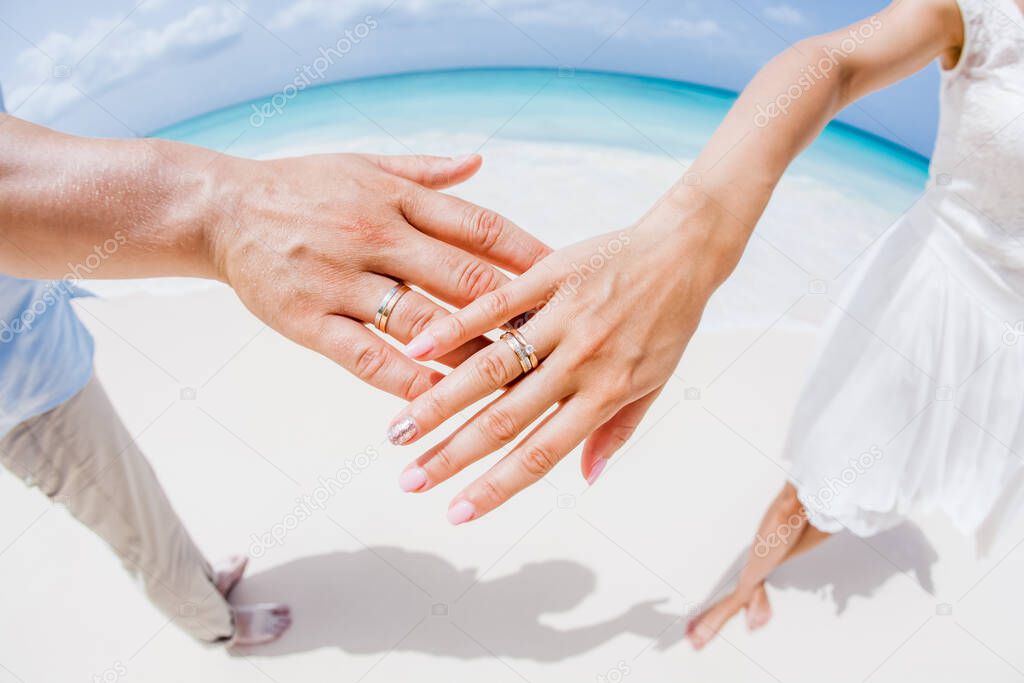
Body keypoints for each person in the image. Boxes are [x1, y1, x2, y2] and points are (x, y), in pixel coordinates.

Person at [385, 0, 1024, 647]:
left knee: (868, 489)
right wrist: (693, 233)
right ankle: (747, 584)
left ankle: (759, 575)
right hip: (925, 302)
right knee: (815, 483)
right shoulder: (983, 14)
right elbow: (832, 65)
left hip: (1011, 344)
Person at [0, 96, 549, 645]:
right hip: (22, 397)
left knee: (140, 499)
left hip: (40, 347)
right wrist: (226, 210)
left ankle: (205, 582)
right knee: (134, 521)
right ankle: (216, 629)